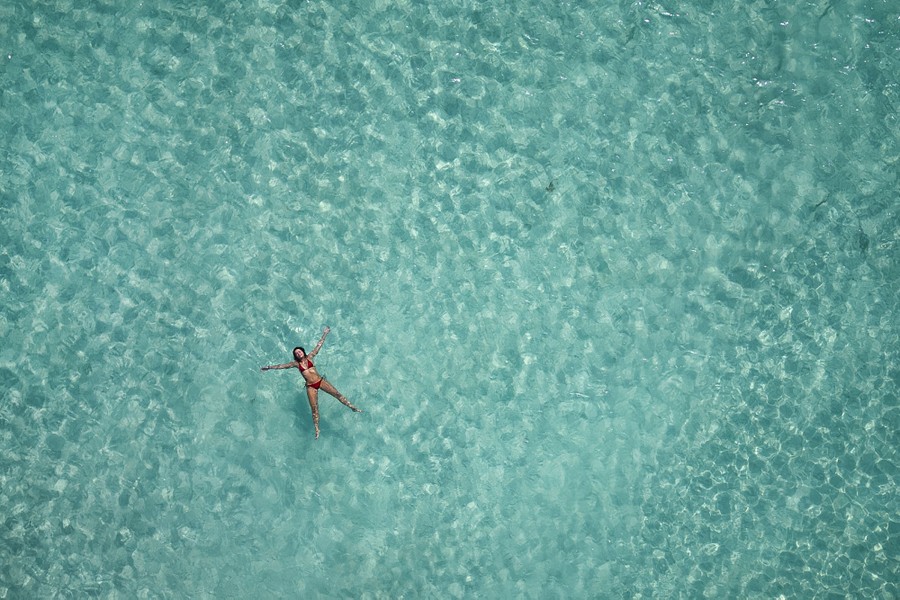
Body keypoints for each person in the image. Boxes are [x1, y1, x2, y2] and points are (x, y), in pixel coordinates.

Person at [261, 326, 361, 438]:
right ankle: (317, 429)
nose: (298, 353)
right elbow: (282, 366)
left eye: (299, 351)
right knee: (314, 408)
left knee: (337, 394)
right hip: (311, 387)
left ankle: (351, 407)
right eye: (296, 353)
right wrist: (269, 367)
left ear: (303, 351)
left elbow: (319, 345)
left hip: (320, 381)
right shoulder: (296, 364)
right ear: (295, 356)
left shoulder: (311, 357)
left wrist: (325, 333)